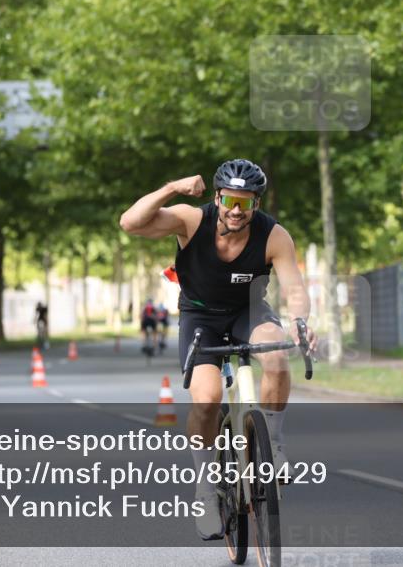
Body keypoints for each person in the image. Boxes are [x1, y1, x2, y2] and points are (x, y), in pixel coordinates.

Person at [119, 158, 316, 540]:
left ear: (256, 203)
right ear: (218, 198)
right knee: (207, 399)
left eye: (246, 203)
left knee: (276, 357)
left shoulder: (274, 236)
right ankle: (206, 492)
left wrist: (299, 322)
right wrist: (172, 186)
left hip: (250, 312)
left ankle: (272, 445)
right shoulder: (192, 221)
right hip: (200, 317)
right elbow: (130, 222)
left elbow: (294, 288)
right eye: (229, 201)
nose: (236, 211)